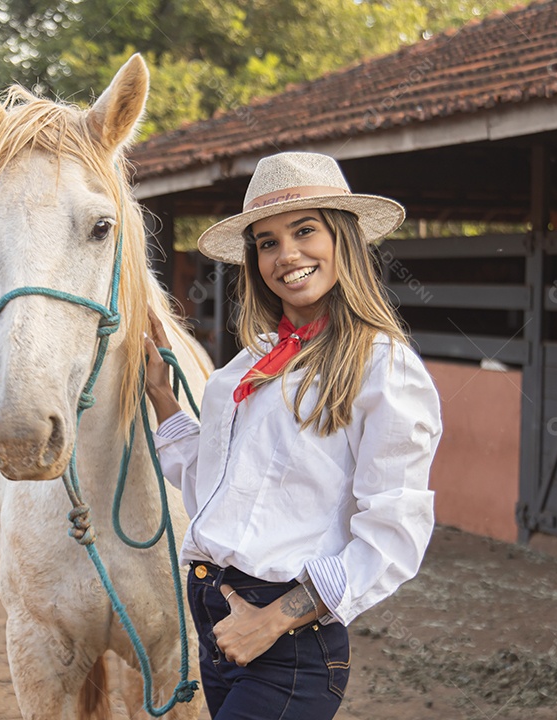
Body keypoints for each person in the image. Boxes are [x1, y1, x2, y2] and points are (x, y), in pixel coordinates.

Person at [143, 152, 442, 719]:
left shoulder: (383, 368)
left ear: (344, 241)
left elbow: (396, 533)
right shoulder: (246, 366)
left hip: (289, 642)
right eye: (266, 242)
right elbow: (212, 493)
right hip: (218, 619)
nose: (286, 255)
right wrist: (162, 399)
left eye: (305, 231)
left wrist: (274, 618)